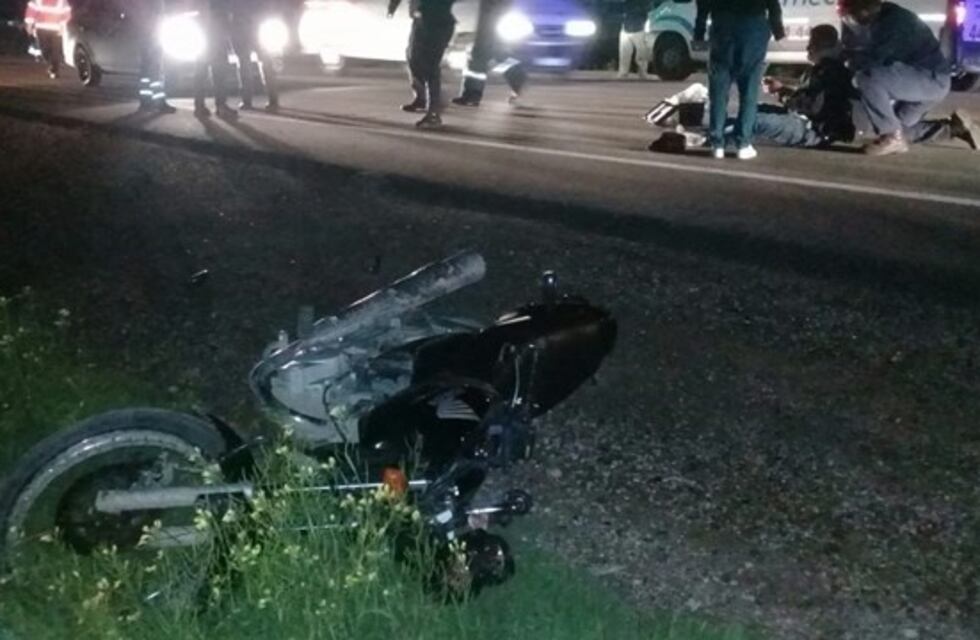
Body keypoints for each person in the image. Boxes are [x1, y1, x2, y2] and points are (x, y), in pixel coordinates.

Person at [650, 25, 854, 151]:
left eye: (813, 44)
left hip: (812, 132)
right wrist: (782, 89)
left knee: (754, 121)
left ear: (823, 46)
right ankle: (685, 114)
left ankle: (698, 139)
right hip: (802, 120)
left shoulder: (832, 73)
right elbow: (808, 99)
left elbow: (811, 107)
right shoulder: (820, 69)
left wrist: (783, 95)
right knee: (749, 110)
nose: (808, 48)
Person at [839, 0, 951, 156]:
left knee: (867, 78)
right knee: (896, 125)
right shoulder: (885, 17)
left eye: (850, 14)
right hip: (928, 82)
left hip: (929, 80)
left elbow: (875, 60)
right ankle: (953, 129)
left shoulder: (893, 22)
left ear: (864, 9)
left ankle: (892, 137)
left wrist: (846, 61)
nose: (851, 20)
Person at [693, 0, 785, 160]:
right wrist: (778, 31)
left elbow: (702, 5)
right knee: (749, 89)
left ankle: (717, 143)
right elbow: (773, 5)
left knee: (719, 89)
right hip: (753, 26)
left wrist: (699, 34)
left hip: (723, 25)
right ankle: (743, 144)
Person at [387, 0, 457, 128]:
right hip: (421, 21)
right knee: (413, 59)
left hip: (438, 23)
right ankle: (422, 98)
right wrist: (392, 8)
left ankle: (434, 112)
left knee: (430, 65)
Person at [451, 0, 526, 107]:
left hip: (493, 14)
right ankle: (472, 95)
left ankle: (472, 95)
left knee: (485, 55)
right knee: (489, 54)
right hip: (492, 14)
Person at [230, 0, 280, 112]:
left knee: (245, 63)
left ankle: (247, 100)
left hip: (242, 23)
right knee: (264, 62)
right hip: (256, 22)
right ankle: (273, 98)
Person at [193, 0, 238, 119]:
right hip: (212, 29)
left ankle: (202, 106)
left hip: (208, 29)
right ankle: (218, 106)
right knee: (216, 71)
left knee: (205, 71)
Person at [134, 0, 177, 114]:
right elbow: (155, 17)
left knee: (146, 73)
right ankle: (159, 102)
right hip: (152, 37)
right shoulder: (154, 4)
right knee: (156, 73)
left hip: (148, 36)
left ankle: (145, 102)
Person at [24, 0, 71, 79]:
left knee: (55, 51)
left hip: (56, 29)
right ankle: (51, 66)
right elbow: (31, 11)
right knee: (45, 50)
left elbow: (66, 13)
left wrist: (63, 26)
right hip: (41, 29)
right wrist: (29, 24)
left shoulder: (61, 1)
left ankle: (54, 69)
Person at [618, 0, 650, 80]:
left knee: (641, 53)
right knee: (625, 54)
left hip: (638, 29)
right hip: (627, 28)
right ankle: (624, 73)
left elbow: (646, 11)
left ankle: (641, 73)